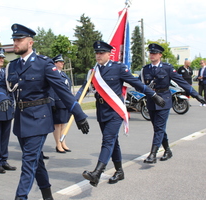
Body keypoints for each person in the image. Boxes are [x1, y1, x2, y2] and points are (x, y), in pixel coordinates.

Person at [0, 23, 89, 200]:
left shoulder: (44, 64)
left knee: (28, 163)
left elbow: (63, 91)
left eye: (19, 40)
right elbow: (1, 86)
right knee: (36, 162)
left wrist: (79, 114)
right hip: (21, 120)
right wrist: (2, 98)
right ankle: (48, 196)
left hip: (39, 120)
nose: (15, 43)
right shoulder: (12, 66)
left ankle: (20, 197)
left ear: (30, 42)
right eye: (14, 39)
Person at [80, 41, 165, 187]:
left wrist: (153, 95)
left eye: (101, 53)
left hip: (115, 110)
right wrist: (73, 106)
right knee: (113, 142)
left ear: (109, 54)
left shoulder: (118, 68)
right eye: (96, 53)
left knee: (107, 140)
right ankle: (119, 171)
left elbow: (136, 83)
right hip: (101, 111)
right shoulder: (93, 71)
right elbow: (83, 89)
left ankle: (97, 173)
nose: (98, 55)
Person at [141, 43, 206, 164]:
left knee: (159, 128)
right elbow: (143, 85)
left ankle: (153, 154)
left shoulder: (167, 68)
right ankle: (168, 151)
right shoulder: (146, 69)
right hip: (151, 100)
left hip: (164, 100)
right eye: (151, 53)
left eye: (155, 53)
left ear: (160, 55)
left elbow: (182, 82)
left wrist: (196, 95)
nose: (152, 55)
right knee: (158, 128)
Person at [49, 54, 72, 153]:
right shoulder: (53, 74)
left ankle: (63, 142)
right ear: (55, 63)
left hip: (65, 102)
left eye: (63, 62)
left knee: (64, 124)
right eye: (60, 62)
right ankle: (58, 144)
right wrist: (52, 102)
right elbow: (50, 89)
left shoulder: (63, 74)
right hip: (57, 102)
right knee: (57, 125)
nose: (62, 63)